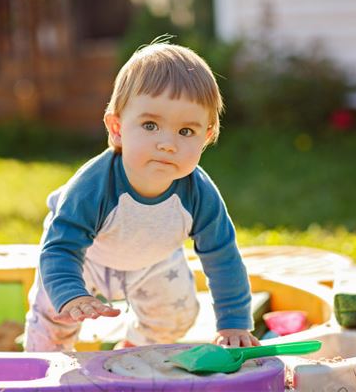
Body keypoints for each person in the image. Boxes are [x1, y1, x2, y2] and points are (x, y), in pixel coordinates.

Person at [24, 41, 260, 352]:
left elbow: (223, 257)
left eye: (186, 131)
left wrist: (233, 322)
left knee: (176, 318)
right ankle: (44, 369)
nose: (167, 144)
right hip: (85, 259)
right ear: (118, 127)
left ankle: (132, 348)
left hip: (155, 259)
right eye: (150, 125)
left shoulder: (199, 194)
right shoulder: (93, 186)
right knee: (54, 319)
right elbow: (61, 247)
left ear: (207, 137)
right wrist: (72, 294)